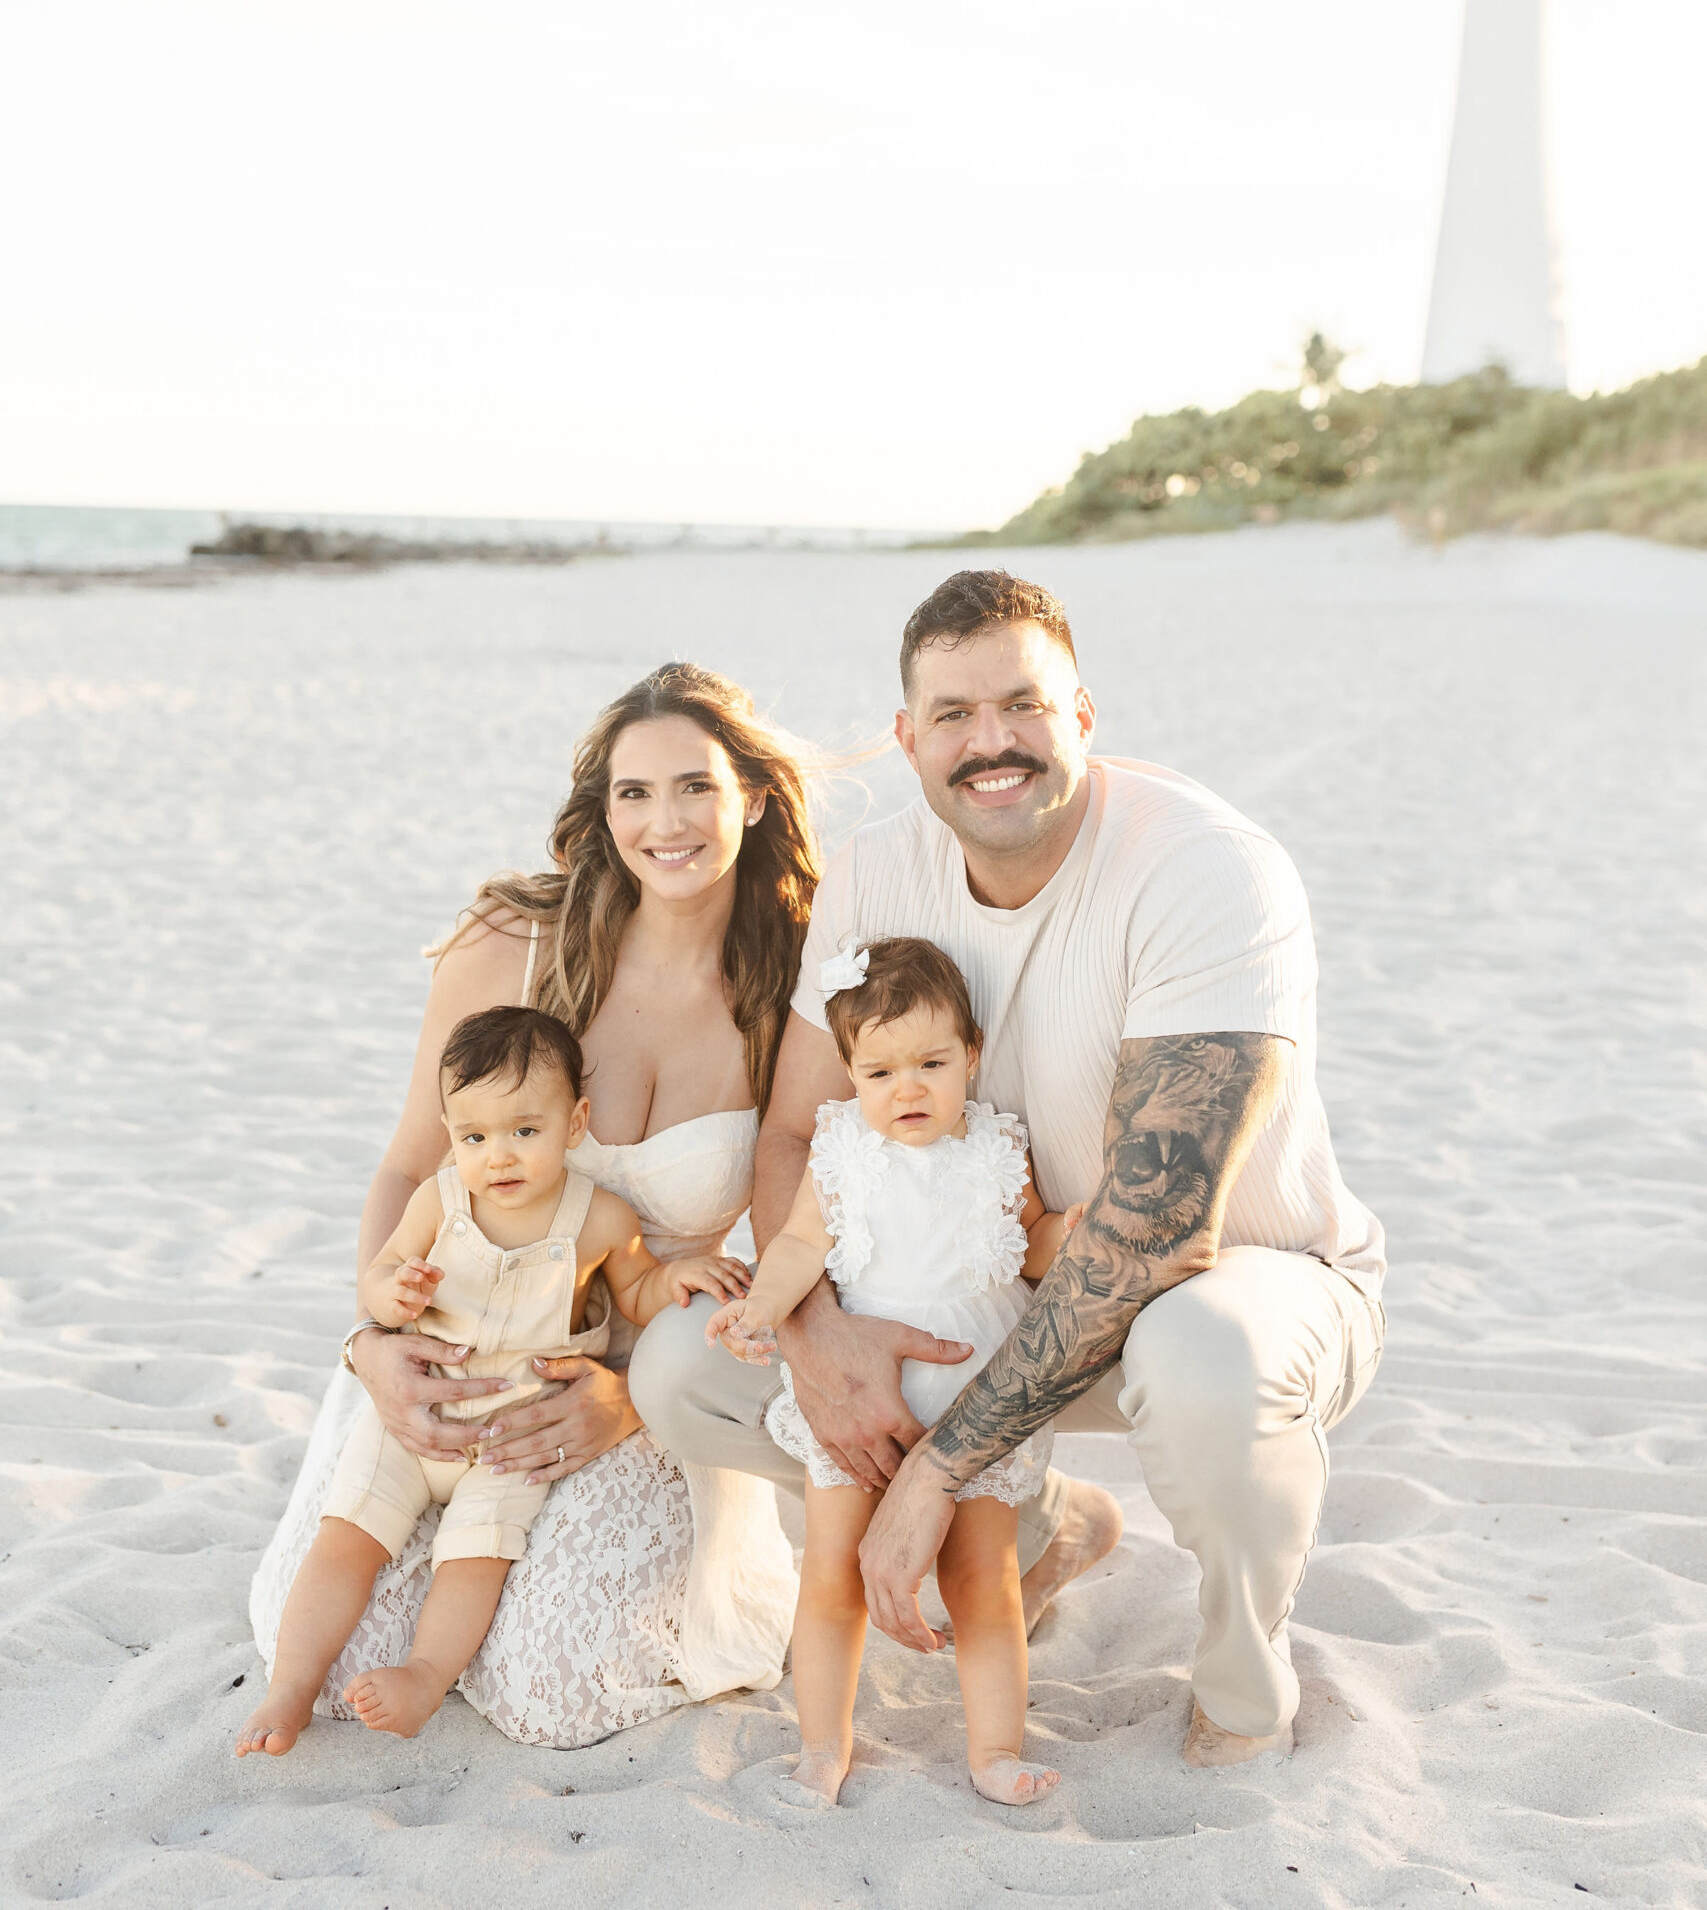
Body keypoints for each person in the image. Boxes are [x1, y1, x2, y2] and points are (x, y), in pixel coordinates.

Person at [631, 571, 1386, 1765]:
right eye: (953, 714)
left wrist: (937, 1467)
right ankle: (1039, 1528)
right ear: (908, 737)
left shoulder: (1205, 871)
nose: (991, 743)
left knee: (1207, 1357)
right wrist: (820, 1338)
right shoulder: (876, 879)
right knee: (683, 1370)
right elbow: (794, 1136)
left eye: (1022, 706)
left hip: (1229, 1278)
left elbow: (1155, 1234)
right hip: (978, 1295)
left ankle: (1244, 1686)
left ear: (1082, 713)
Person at [249, 661, 817, 1748]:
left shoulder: (788, 984)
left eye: (694, 786)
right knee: (332, 1659)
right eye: (634, 793)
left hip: (638, 1379)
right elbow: (406, 1168)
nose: (668, 822)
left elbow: (802, 1224)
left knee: (555, 1692)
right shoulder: (511, 945)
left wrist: (630, 1396)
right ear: (601, 815)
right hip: (448, 1357)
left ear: (753, 794)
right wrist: (370, 1343)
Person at [239, 1005, 747, 1754]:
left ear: (574, 1124)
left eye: (523, 1131)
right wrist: (394, 1295)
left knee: (473, 1560)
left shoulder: (598, 1218)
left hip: (515, 1432)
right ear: (451, 1136)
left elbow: (636, 1292)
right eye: (474, 1137)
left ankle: (424, 1674)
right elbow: (381, 1276)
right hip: (413, 1425)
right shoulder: (439, 1202)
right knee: (345, 1539)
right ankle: (289, 1688)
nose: (498, 1157)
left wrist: (679, 1278)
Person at [707, 937, 1083, 1809]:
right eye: (878, 1072)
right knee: (833, 1572)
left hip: (975, 1393)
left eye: (930, 1062)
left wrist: (1079, 1231)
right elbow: (801, 1242)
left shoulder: (997, 1146)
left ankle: (994, 1751)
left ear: (972, 1055)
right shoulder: (842, 1150)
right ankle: (820, 1749)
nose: (906, 1088)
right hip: (858, 1395)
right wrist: (762, 1306)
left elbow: (1028, 1245)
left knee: (979, 1579)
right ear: (848, 1074)